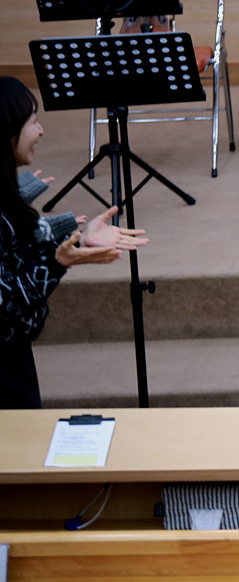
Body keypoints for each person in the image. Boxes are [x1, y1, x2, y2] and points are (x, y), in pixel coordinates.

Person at [1, 77, 148, 409]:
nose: (41, 131)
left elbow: (17, 253)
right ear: (7, 130)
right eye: (33, 121)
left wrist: (76, 243)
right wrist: (61, 260)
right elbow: (8, 307)